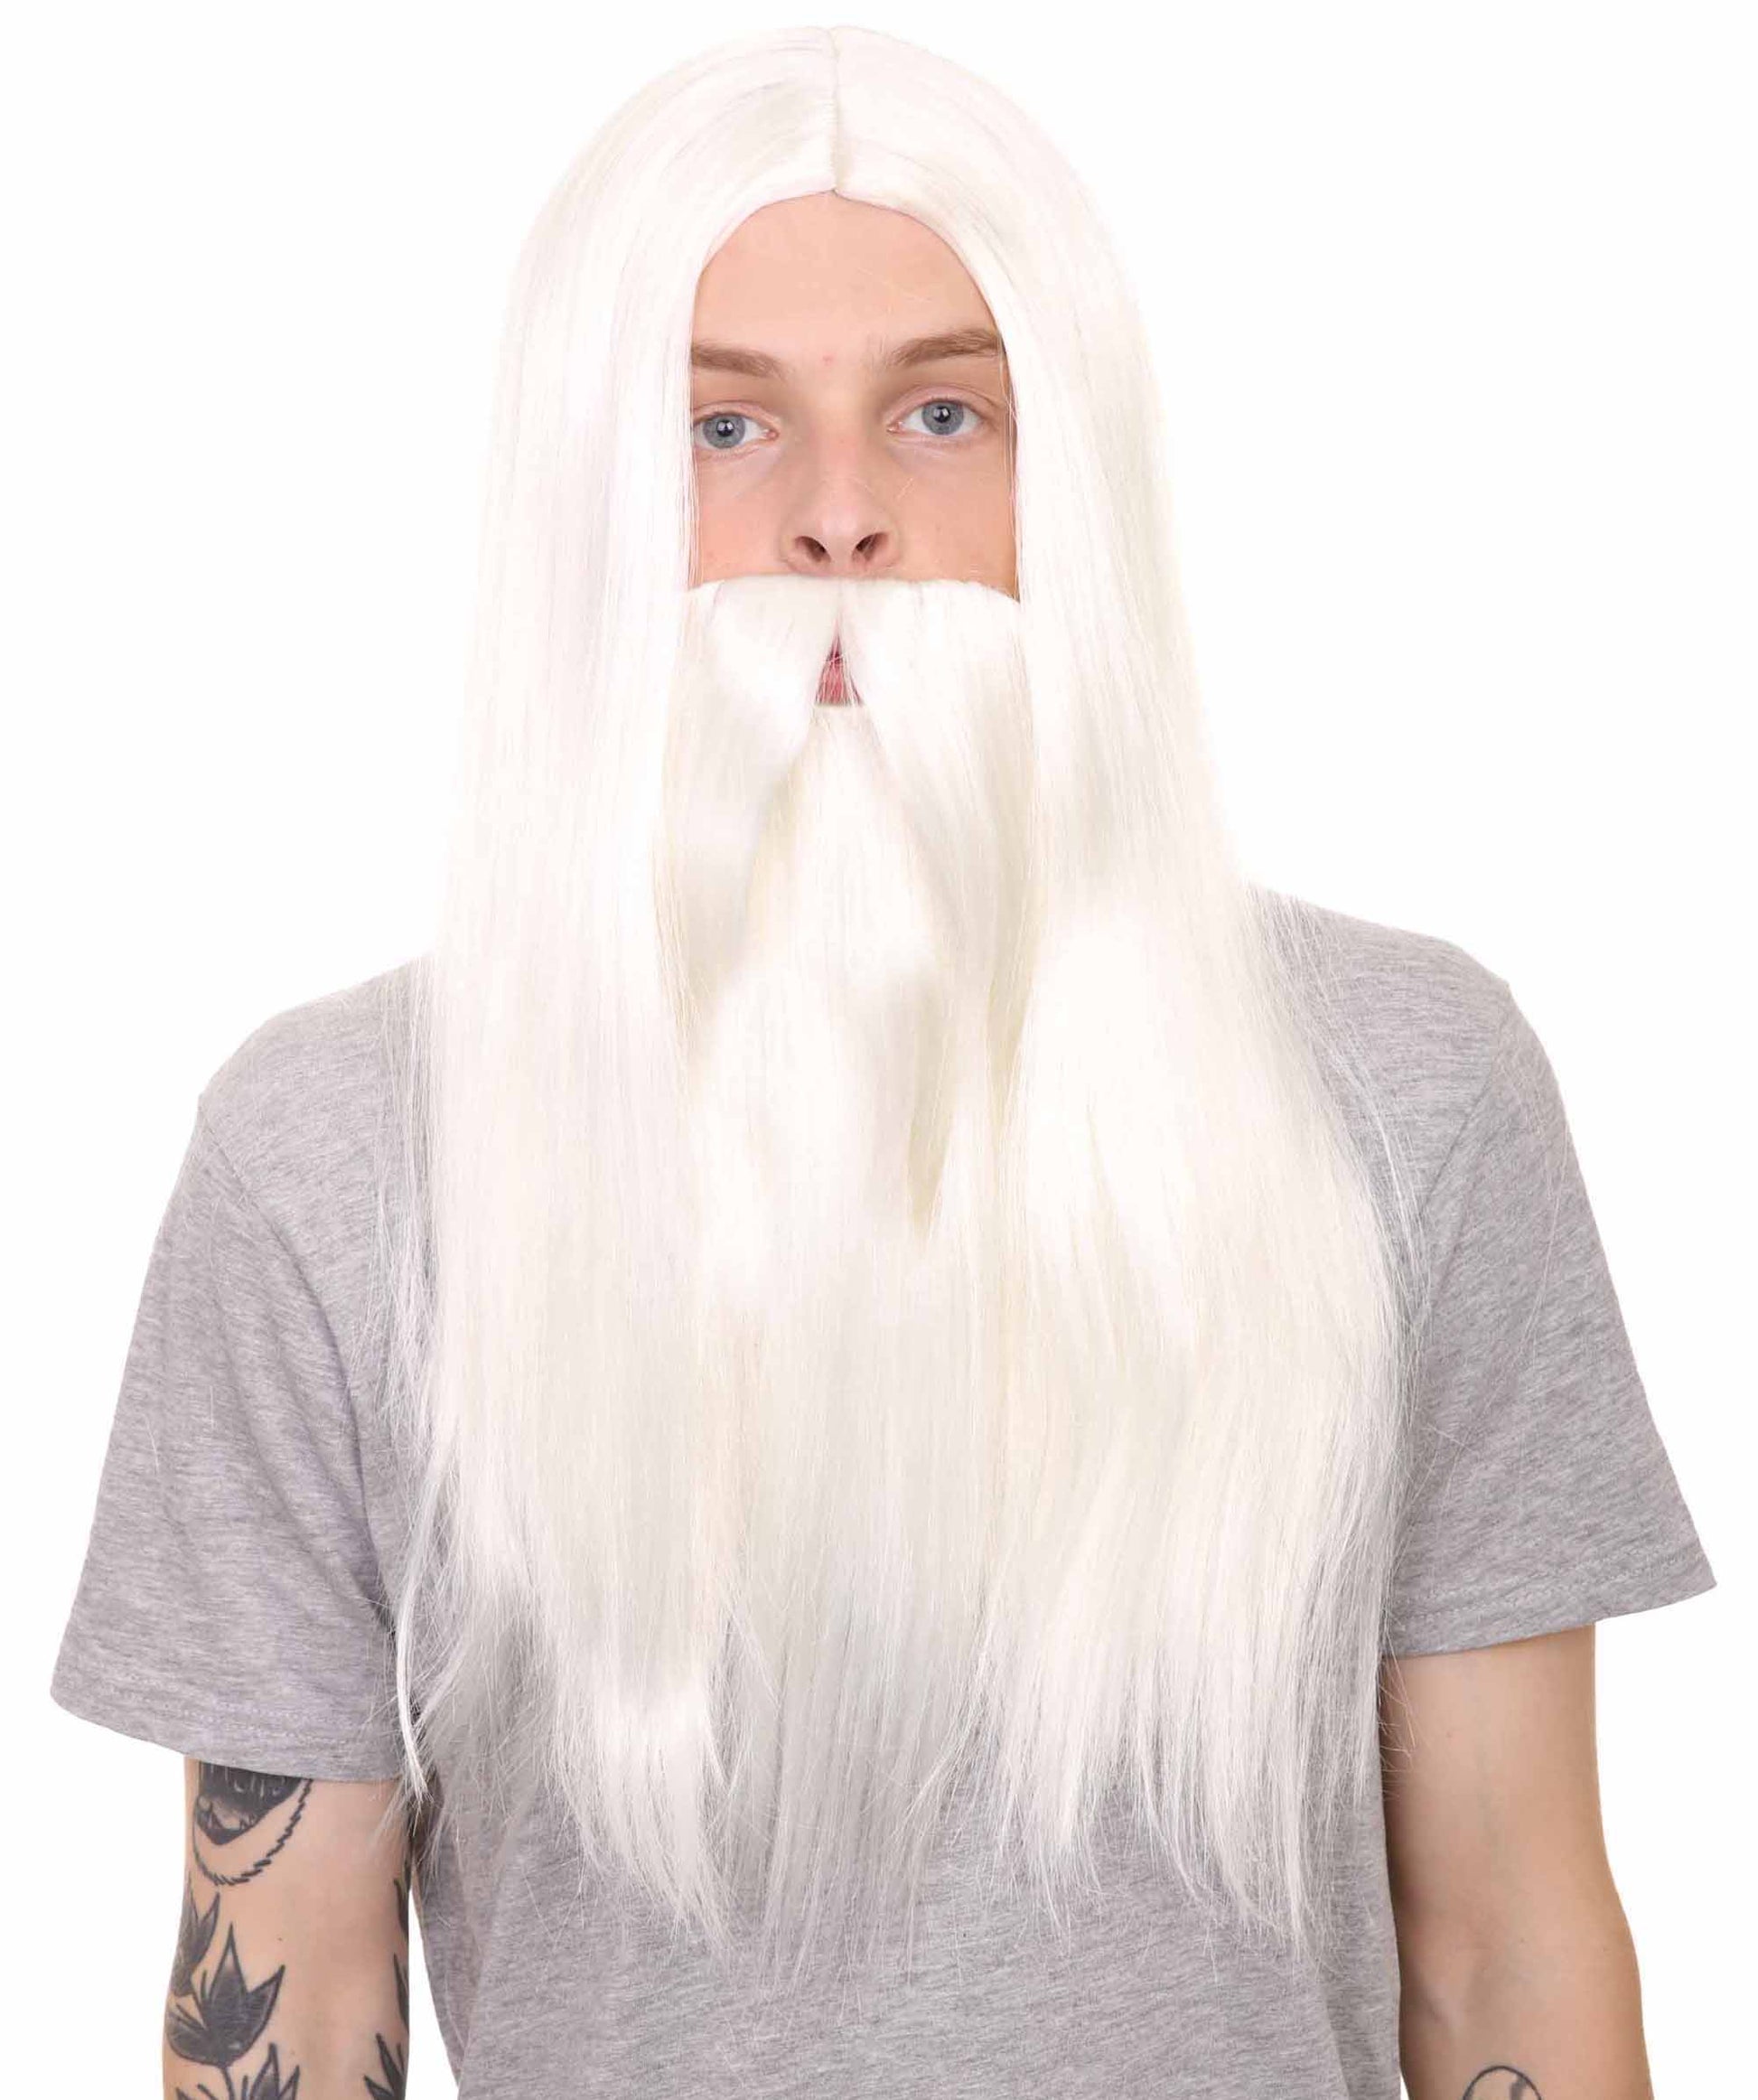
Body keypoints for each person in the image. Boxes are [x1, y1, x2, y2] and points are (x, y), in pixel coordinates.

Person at [51, 26, 1716, 2100]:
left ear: (1067, 476)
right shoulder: (332, 1152)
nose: (839, 519)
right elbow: (285, 1991)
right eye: (723, 426)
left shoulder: (1406, 1085)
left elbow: (1510, 1938)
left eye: (941, 413)